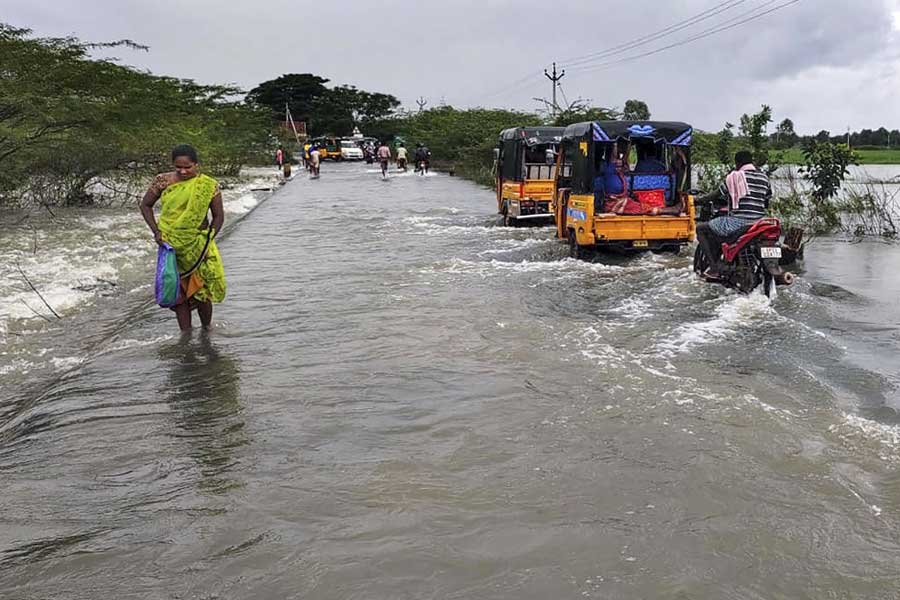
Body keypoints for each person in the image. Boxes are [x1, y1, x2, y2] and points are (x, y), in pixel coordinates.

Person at [140, 144, 226, 332]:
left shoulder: (208, 186)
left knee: (201, 291)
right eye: (178, 167)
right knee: (178, 293)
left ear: (197, 164)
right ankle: (185, 335)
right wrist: (156, 231)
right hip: (171, 245)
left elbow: (218, 216)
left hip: (198, 244)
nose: (183, 171)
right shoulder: (163, 181)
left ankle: (206, 329)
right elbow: (145, 205)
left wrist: (209, 238)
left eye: (188, 167)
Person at [695, 150, 772, 278]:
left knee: (701, 229)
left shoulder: (734, 177)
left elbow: (714, 195)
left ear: (738, 163)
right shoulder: (764, 178)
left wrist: (696, 200)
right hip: (760, 223)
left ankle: (714, 268)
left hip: (738, 223)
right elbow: (767, 200)